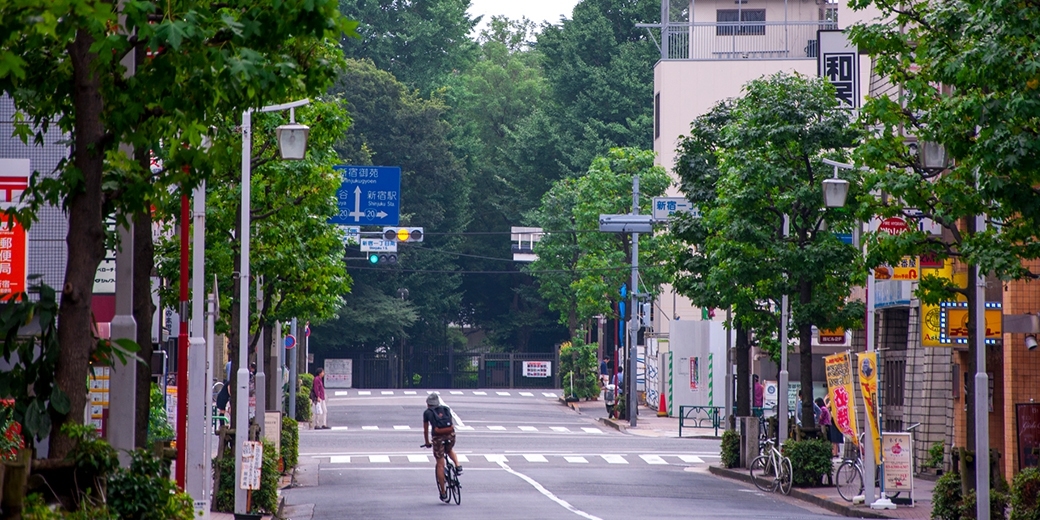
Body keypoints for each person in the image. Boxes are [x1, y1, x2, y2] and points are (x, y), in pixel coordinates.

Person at [423, 393, 461, 502]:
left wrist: (427, 442)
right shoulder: (445, 409)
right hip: (451, 435)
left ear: (428, 404)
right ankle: (458, 466)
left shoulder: (427, 413)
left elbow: (425, 430)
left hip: (438, 438)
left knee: (440, 464)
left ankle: (443, 492)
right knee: (449, 449)